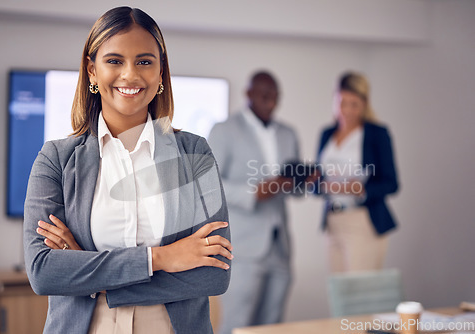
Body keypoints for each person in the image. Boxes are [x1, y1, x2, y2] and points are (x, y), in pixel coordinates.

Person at [23, 7, 232, 334]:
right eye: (115, 61)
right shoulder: (56, 159)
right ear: (92, 71)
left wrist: (92, 277)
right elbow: (43, 272)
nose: (130, 75)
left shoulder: (194, 153)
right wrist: (161, 258)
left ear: (161, 72)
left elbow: (214, 274)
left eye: (145, 62)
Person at [208, 71, 303, 334]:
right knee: (238, 324)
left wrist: (304, 180)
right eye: (264, 96)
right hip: (243, 247)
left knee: (272, 325)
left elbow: (292, 187)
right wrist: (254, 192)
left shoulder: (288, 133)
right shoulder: (224, 130)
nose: (271, 103)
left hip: (280, 244)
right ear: (248, 95)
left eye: (275, 97)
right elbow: (207, 184)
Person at [315, 71, 399, 273]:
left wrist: (361, 189)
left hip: (362, 221)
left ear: (364, 104)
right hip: (333, 221)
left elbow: (392, 183)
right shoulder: (327, 134)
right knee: (338, 293)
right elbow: (316, 179)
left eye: (354, 104)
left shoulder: (377, 134)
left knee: (360, 294)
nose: (347, 110)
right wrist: (319, 185)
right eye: (342, 103)